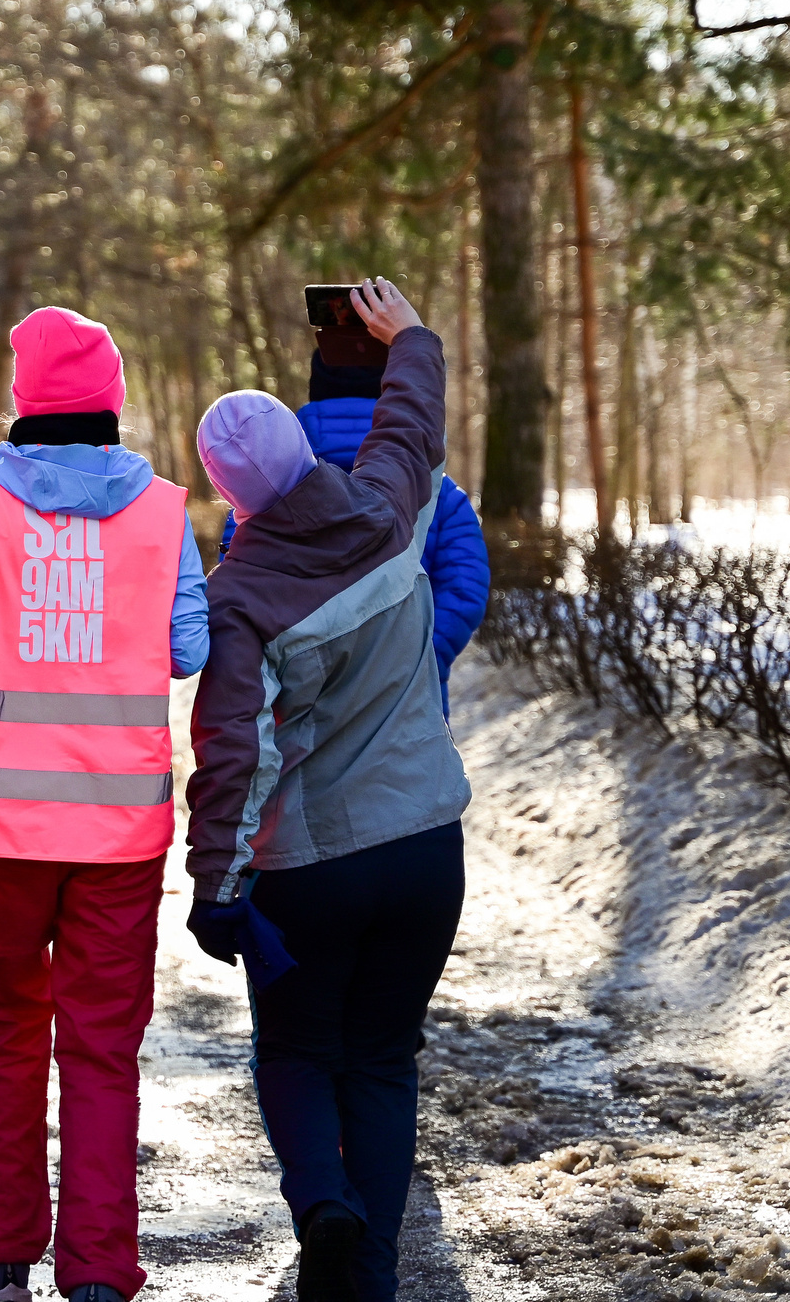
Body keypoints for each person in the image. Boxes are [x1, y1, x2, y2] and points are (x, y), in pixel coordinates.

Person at [0, 307, 210, 1302]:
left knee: (7, 1025)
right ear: (108, 400)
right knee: (104, 1047)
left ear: (25, 400)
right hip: (120, 825)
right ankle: (102, 1270)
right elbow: (188, 650)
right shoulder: (162, 510)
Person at [183, 278, 469, 1302]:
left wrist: (213, 885)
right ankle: (375, 1276)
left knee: (299, 1052)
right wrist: (409, 340)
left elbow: (232, 752)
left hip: (307, 868)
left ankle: (322, 1206)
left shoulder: (236, 602)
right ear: (305, 454)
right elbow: (410, 425)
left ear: (227, 495)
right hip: (428, 847)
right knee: (385, 1062)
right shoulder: (390, 507)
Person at [217, 353, 490, 709]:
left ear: (315, 392)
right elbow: (466, 588)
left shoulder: (261, 491)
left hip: (301, 714)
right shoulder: (441, 493)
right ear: (390, 389)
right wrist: (418, 658)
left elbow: (238, 582)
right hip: (409, 712)